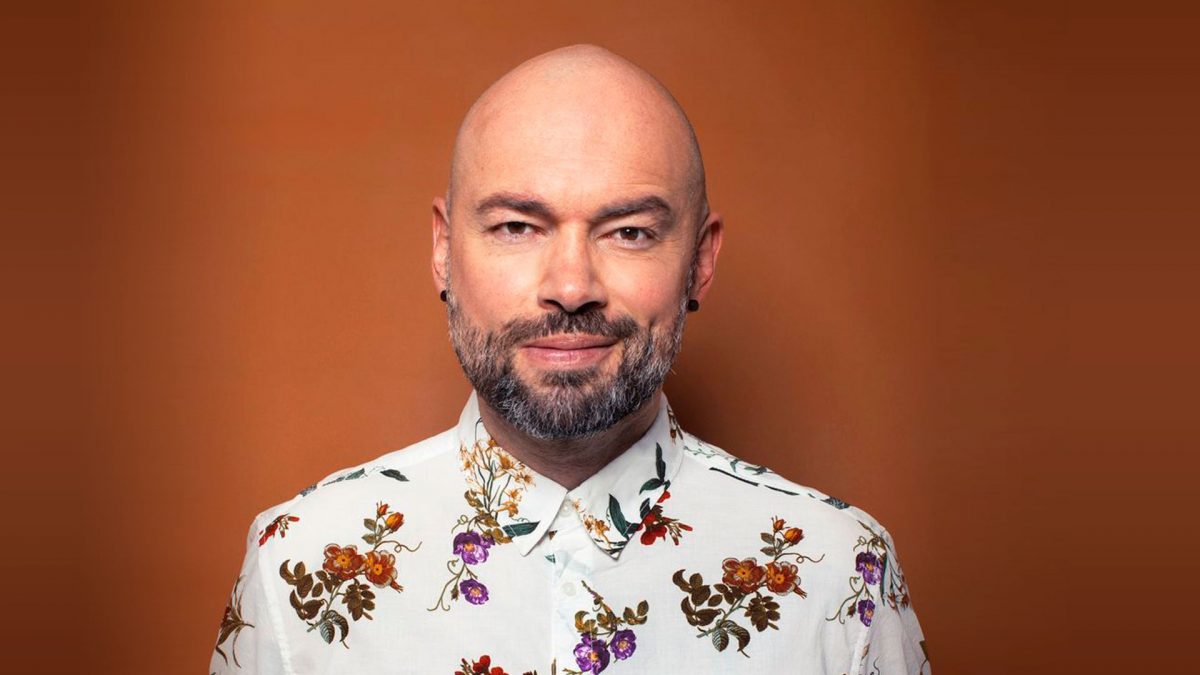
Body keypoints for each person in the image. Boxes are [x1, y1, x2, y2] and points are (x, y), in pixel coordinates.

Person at [210, 44, 929, 675]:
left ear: (701, 261)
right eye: (517, 226)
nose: (571, 286)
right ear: (443, 250)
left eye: (630, 232)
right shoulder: (297, 563)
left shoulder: (841, 577)